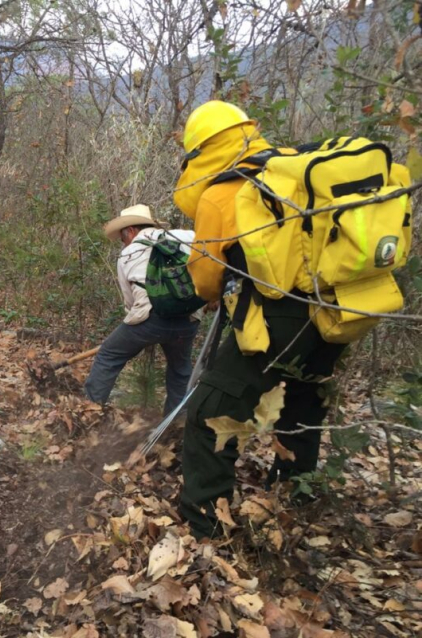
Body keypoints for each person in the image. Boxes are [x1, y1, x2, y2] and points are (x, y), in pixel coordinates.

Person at [174, 101, 347, 539]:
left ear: (199, 152)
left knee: (211, 411)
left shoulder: (222, 191)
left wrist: (218, 291)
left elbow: (205, 278)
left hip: (277, 319)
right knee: (302, 403)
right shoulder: (293, 170)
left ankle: (205, 526)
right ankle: (294, 502)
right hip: (339, 312)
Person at [84, 205, 199, 414]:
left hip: (149, 318)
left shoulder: (128, 253)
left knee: (108, 355)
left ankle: (89, 411)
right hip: (188, 317)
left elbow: (130, 303)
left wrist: (139, 332)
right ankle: (176, 421)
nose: (123, 242)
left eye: (122, 237)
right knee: (180, 369)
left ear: (130, 230)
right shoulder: (186, 237)